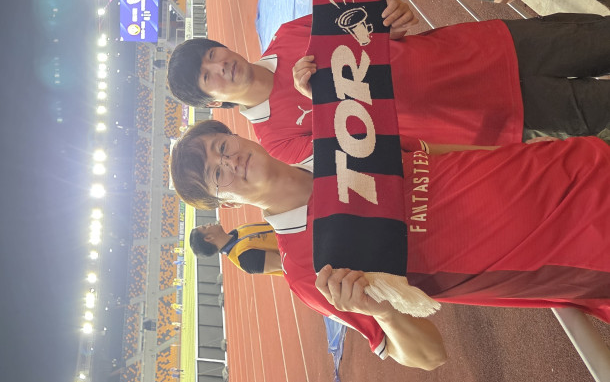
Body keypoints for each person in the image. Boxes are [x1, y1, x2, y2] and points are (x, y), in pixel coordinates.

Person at [170, 120, 610, 369]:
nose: (229, 160)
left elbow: (439, 152)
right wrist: (384, 313)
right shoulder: (309, 274)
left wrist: (524, 152)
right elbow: (429, 356)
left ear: (238, 135)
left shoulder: (340, 136)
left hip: (576, 162)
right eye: (217, 173)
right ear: (225, 202)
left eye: (221, 146)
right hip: (581, 249)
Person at [167, 9, 610, 163]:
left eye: (212, 54)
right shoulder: (278, 142)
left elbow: (365, 21)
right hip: (487, 118)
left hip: (482, 48)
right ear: (213, 101)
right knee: (599, 108)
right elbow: (366, 158)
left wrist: (389, 20)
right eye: (207, 77)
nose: (220, 66)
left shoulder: (288, 35)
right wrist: (327, 103)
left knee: (598, 39)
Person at [189, 221, 282, 275]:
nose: (209, 224)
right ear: (209, 238)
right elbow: (285, 263)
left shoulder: (238, 230)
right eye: (205, 227)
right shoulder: (244, 258)